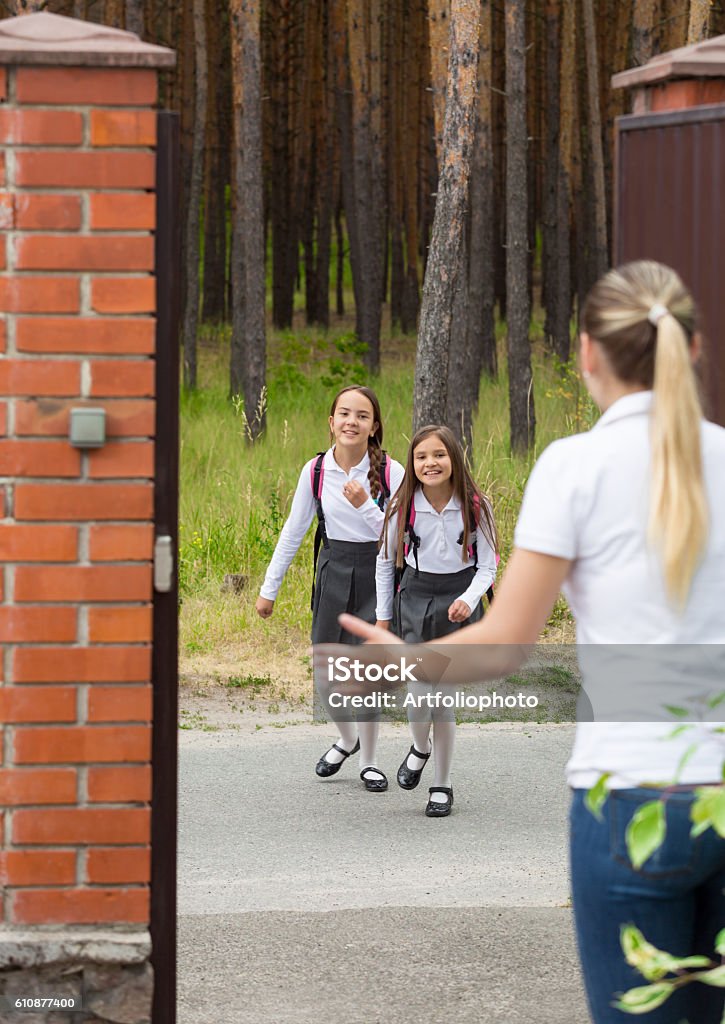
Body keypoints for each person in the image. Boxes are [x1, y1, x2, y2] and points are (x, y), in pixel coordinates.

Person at [338, 262, 725, 1022]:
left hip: (625, 793)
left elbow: (508, 643)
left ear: (584, 354)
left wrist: (410, 659)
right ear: (695, 345)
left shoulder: (571, 469)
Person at [256, 384, 404, 792]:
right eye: (344, 413)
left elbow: (397, 540)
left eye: (362, 415)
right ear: (331, 421)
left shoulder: (391, 472)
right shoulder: (316, 470)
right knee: (325, 671)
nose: (351, 421)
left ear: (374, 427)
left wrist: (365, 506)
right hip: (334, 570)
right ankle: (347, 738)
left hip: (378, 574)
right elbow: (293, 531)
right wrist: (271, 588)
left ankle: (370, 762)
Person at [375, 425, 497, 817]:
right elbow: (384, 563)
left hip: (459, 603)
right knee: (418, 694)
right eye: (422, 456)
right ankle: (420, 747)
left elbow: (488, 566)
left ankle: (441, 784)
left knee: (442, 699)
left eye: (439, 455)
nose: (431, 463)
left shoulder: (476, 505)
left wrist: (468, 599)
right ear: (412, 464)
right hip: (416, 600)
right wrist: (382, 620)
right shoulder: (403, 506)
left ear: (454, 459)